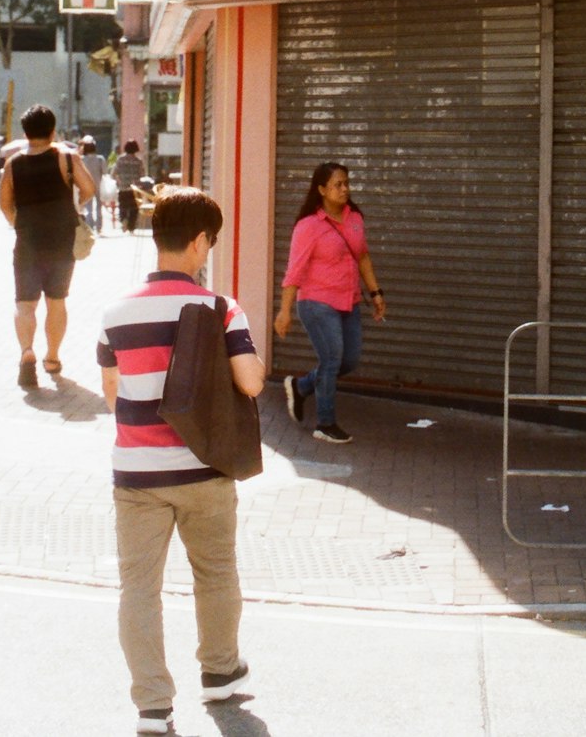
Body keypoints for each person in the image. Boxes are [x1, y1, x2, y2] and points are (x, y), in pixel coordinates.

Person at [98, 187, 264, 735]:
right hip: (204, 470)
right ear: (198, 243)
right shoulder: (220, 309)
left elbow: (111, 394)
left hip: (137, 475)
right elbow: (250, 381)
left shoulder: (115, 313)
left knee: (138, 589)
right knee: (214, 573)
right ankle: (219, 673)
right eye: (209, 243)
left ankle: (152, 706)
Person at [274, 160, 386, 444]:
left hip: (348, 301)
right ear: (322, 189)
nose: (344, 189)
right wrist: (284, 311)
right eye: (337, 184)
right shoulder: (308, 226)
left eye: (346, 183)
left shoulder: (355, 219)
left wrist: (375, 293)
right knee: (332, 358)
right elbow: (294, 271)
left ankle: (301, 387)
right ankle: (325, 423)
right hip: (316, 302)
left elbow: (362, 257)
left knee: (348, 360)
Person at [0, 102, 95, 389]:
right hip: (61, 239)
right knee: (57, 301)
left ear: (25, 132)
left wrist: (21, 222)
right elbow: (89, 188)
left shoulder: (12, 163)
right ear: (52, 130)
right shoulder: (66, 157)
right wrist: (73, 207)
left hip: (27, 240)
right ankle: (52, 357)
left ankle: (27, 352)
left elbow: (4, 205)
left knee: (25, 303)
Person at [115, 138, 145, 234]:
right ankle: (131, 227)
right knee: (134, 208)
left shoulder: (120, 159)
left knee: (122, 206)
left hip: (122, 187)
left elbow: (114, 173)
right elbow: (142, 174)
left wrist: (119, 180)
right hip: (135, 189)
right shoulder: (138, 161)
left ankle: (123, 219)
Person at [78, 135, 106, 233]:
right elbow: (105, 171)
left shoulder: (81, 159)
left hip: (86, 184)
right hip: (98, 184)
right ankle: (99, 227)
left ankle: (90, 225)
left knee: (88, 206)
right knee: (99, 206)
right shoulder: (100, 159)